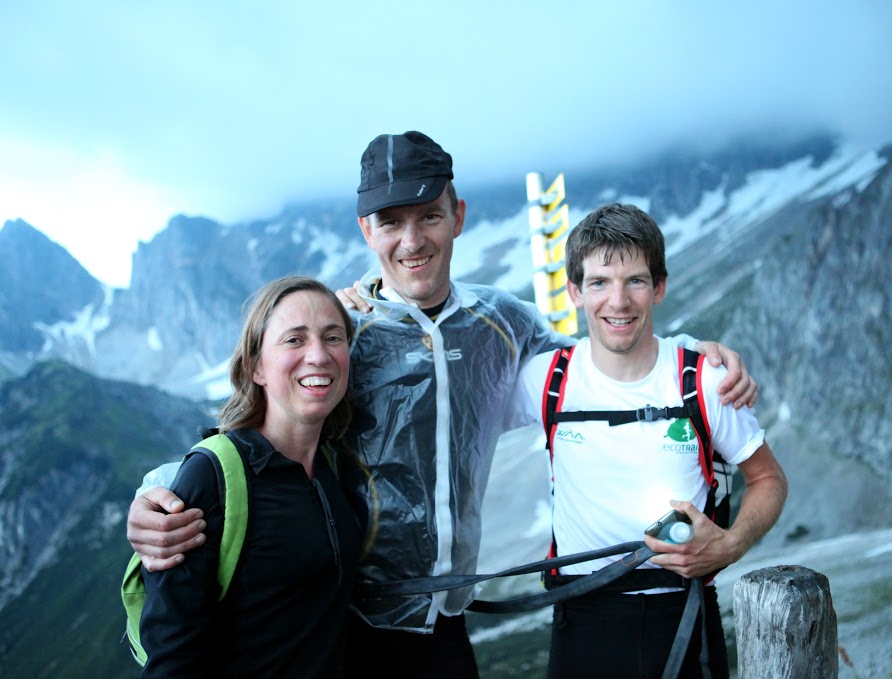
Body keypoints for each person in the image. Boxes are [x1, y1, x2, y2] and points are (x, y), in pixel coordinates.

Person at [126, 131, 759, 678]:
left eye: (428, 216)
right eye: (391, 222)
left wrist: (689, 348)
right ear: (366, 231)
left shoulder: (503, 323)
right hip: (344, 623)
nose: (411, 240)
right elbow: (253, 427)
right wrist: (158, 494)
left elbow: (607, 358)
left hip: (446, 621)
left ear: (457, 215)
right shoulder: (340, 328)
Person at [508, 203, 788, 678]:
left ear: (658, 287)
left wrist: (732, 542)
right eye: (599, 282)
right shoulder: (546, 378)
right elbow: (454, 411)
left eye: (634, 281)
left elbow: (768, 478)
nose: (617, 301)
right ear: (575, 291)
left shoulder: (704, 380)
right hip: (581, 623)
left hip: (683, 616)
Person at [137, 276, 365, 676]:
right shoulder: (212, 476)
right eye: (294, 340)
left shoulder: (335, 464)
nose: (319, 356)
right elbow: (172, 658)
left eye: (333, 337)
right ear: (255, 367)